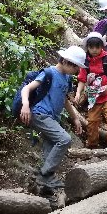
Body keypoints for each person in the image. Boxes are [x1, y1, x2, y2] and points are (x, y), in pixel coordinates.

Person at [20, 46, 85, 189]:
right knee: (64, 139)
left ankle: (44, 180)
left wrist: (75, 118)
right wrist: (25, 105)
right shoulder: (49, 73)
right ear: (67, 62)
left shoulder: (67, 78)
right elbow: (27, 88)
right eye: (76, 68)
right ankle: (44, 174)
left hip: (51, 117)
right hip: (39, 114)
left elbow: (65, 100)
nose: (77, 71)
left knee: (50, 147)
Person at [75, 32, 107, 153]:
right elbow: (81, 79)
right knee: (92, 120)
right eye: (92, 47)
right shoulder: (85, 62)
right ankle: (92, 144)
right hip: (93, 96)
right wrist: (77, 93)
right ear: (88, 48)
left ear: (102, 47)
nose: (95, 50)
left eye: (97, 47)